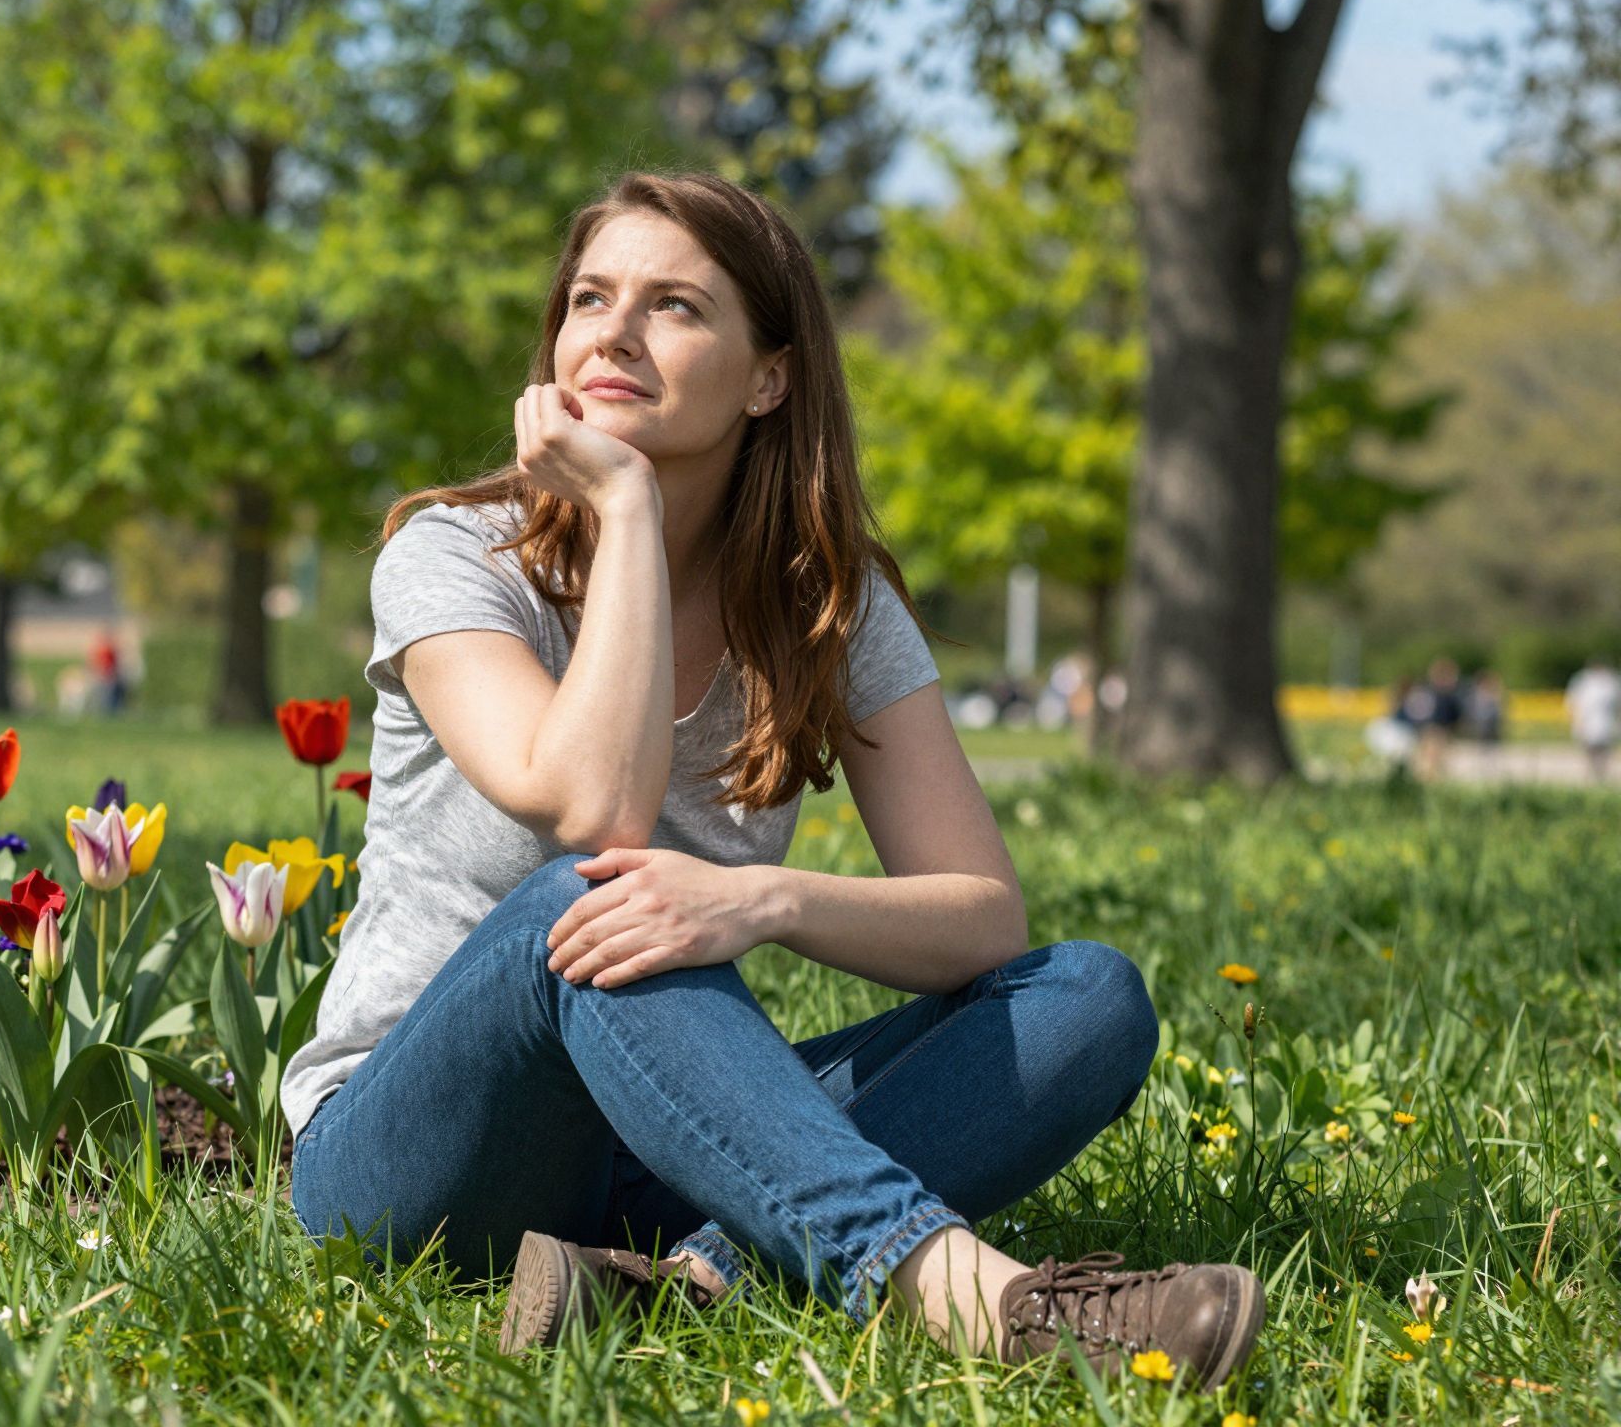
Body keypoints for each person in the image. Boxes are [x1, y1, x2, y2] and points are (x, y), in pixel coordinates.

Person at [282, 171, 1265, 1391]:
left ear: (769, 378)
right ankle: (973, 1297)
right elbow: (590, 807)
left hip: (655, 1142)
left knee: (1084, 996)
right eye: (589, 298)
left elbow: (979, 917)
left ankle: (678, 1285)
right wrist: (627, 509)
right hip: (411, 1158)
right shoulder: (450, 560)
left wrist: (763, 903)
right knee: (584, 907)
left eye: (675, 307)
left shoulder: (824, 609)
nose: (612, 332)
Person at [1566, 656, 1620, 784]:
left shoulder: (1611, 682)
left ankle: (1600, 776)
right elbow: (1573, 703)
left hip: (1606, 723)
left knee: (1604, 753)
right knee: (1589, 752)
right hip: (1588, 722)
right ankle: (1592, 777)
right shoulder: (1583, 681)